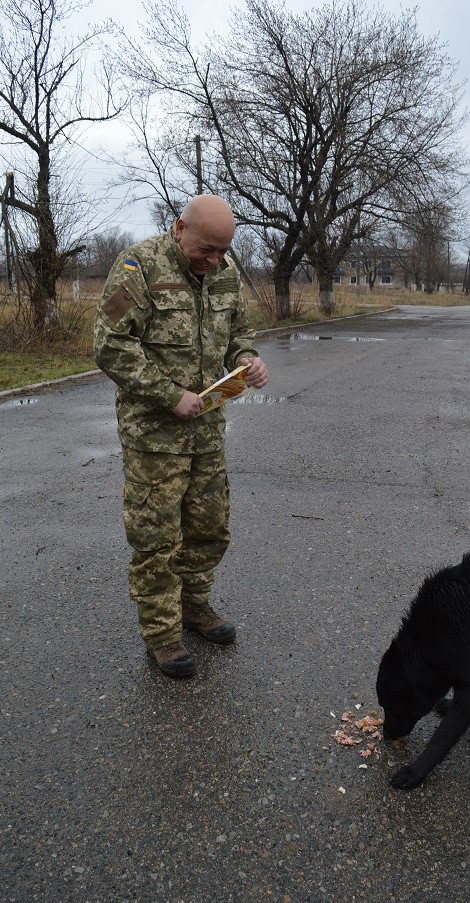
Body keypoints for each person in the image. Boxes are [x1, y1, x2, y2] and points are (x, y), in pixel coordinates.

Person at [93, 195, 268, 678]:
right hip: (155, 435)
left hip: (207, 430)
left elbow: (240, 331)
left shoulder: (224, 272)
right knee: (157, 539)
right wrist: (170, 395)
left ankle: (193, 605)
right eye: (207, 249)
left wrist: (248, 359)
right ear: (179, 229)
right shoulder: (138, 267)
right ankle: (162, 634)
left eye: (223, 250)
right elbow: (109, 345)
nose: (215, 259)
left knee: (210, 528)